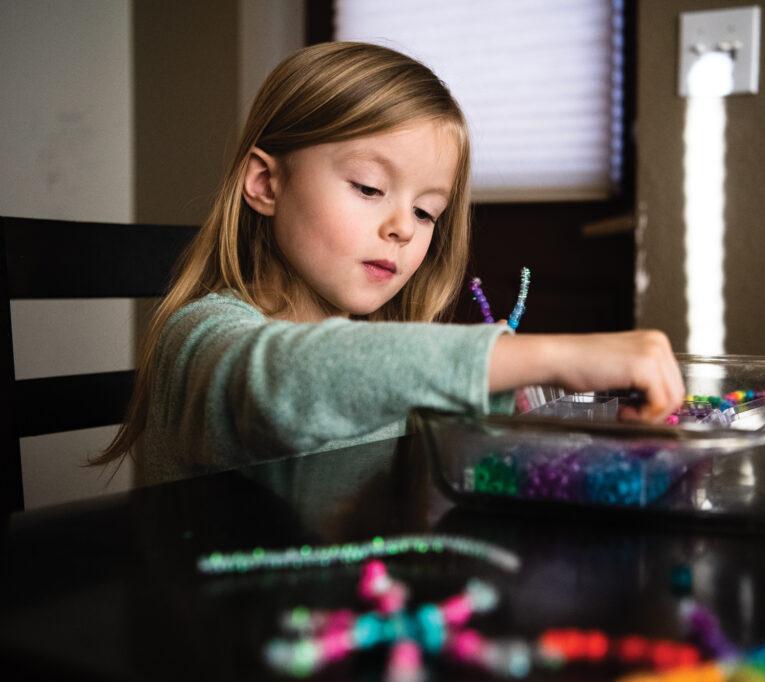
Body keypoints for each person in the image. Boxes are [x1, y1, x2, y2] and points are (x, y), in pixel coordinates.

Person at [92, 42, 683, 485]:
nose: (403, 227)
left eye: (427, 212)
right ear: (266, 183)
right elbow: (285, 385)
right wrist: (556, 354)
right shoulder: (200, 335)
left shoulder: (383, 350)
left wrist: (559, 416)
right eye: (370, 188)